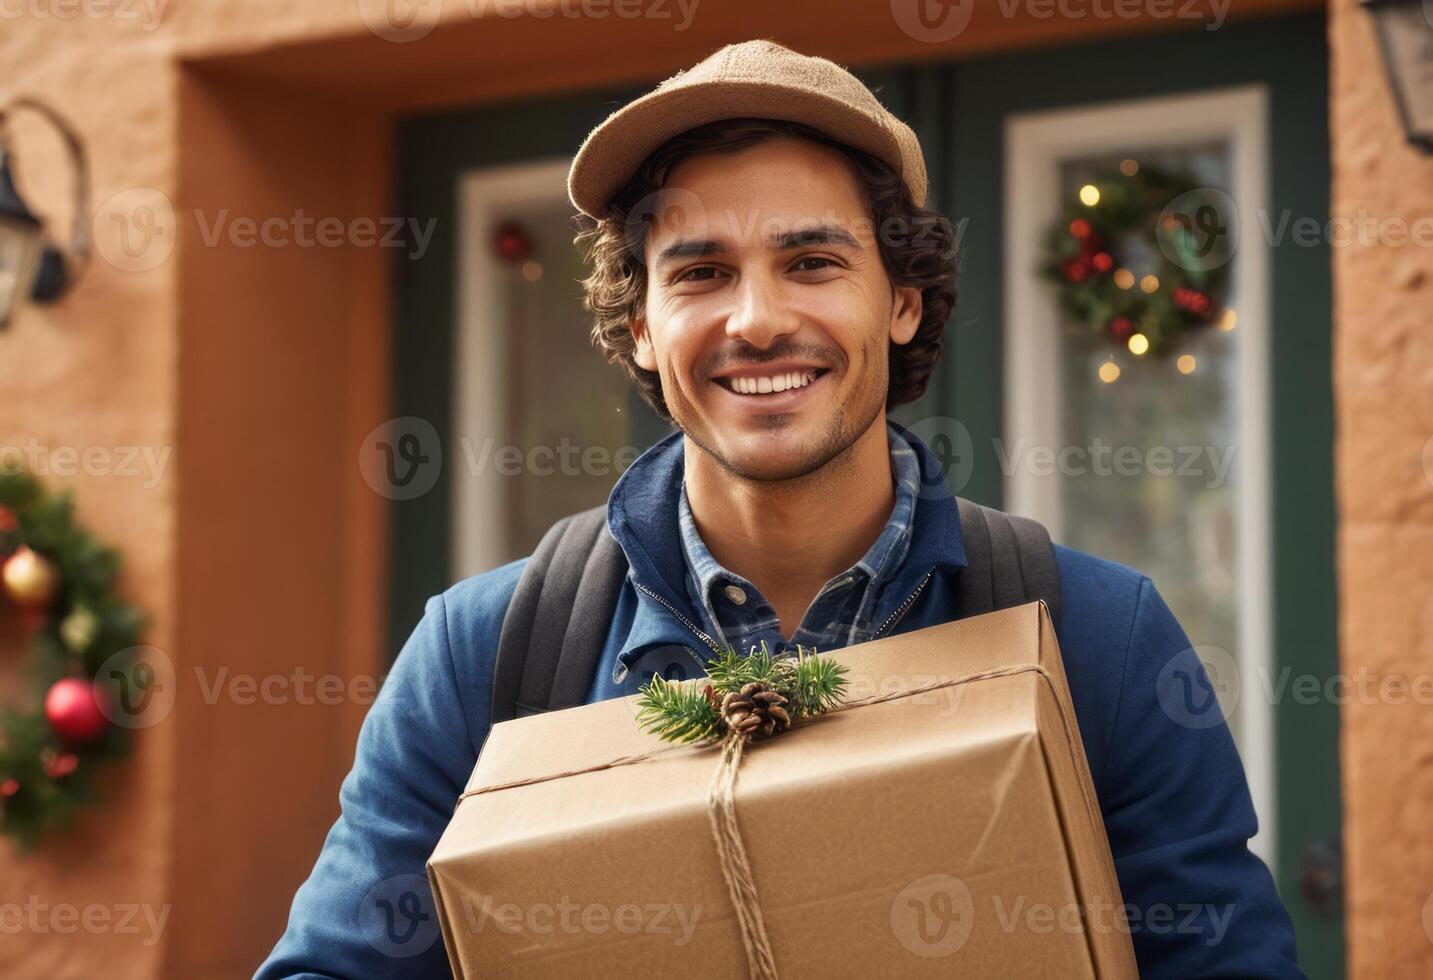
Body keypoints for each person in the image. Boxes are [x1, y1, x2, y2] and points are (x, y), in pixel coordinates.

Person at [256, 39, 1301, 979]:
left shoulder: (1097, 637)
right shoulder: (485, 651)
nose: (756, 320)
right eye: (701, 271)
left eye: (810, 261)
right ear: (638, 329)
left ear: (900, 300)